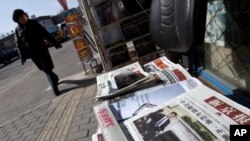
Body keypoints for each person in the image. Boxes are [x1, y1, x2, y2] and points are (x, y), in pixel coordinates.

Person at [12, 9, 62, 96]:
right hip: (33, 54)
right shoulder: (17, 30)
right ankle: (55, 77)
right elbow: (18, 44)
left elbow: (44, 33)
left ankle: (55, 89)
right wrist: (22, 56)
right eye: (20, 17)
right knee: (44, 69)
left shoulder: (33, 23)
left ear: (26, 15)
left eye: (24, 15)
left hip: (42, 49)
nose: (23, 18)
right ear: (17, 20)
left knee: (47, 68)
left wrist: (55, 43)